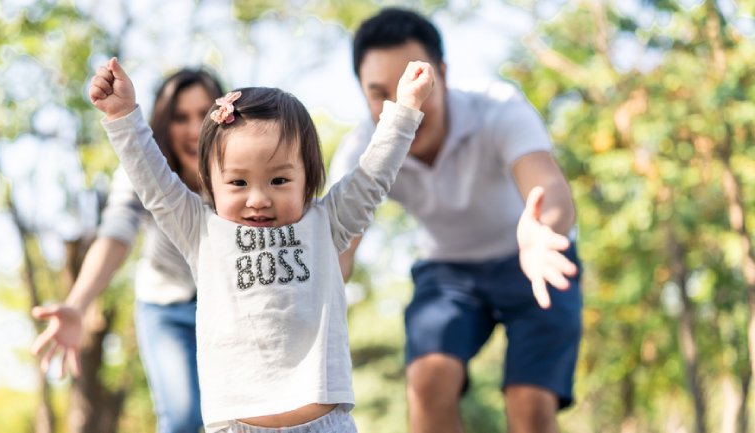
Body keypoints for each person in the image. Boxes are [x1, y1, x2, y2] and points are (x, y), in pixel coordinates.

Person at [88, 56, 433, 433]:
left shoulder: (326, 223)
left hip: (324, 424)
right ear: (210, 183)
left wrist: (404, 111)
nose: (258, 199)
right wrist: (123, 115)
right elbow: (153, 181)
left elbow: (372, 177)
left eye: (279, 180)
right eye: (237, 183)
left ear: (308, 178)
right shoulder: (201, 231)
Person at [328, 8, 582, 433]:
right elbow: (337, 250)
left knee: (530, 405)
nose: (401, 105)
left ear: (442, 73)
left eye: (415, 85)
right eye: (379, 94)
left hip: (534, 258)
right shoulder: (362, 151)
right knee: (427, 383)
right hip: (449, 273)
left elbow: (549, 188)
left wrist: (542, 230)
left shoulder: (497, 108)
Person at [30, 68, 224, 433]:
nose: (194, 129)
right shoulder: (143, 167)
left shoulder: (240, 169)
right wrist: (77, 304)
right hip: (166, 306)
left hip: (227, 306)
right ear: (164, 123)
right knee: (183, 416)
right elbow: (116, 233)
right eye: (181, 117)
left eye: (204, 114)